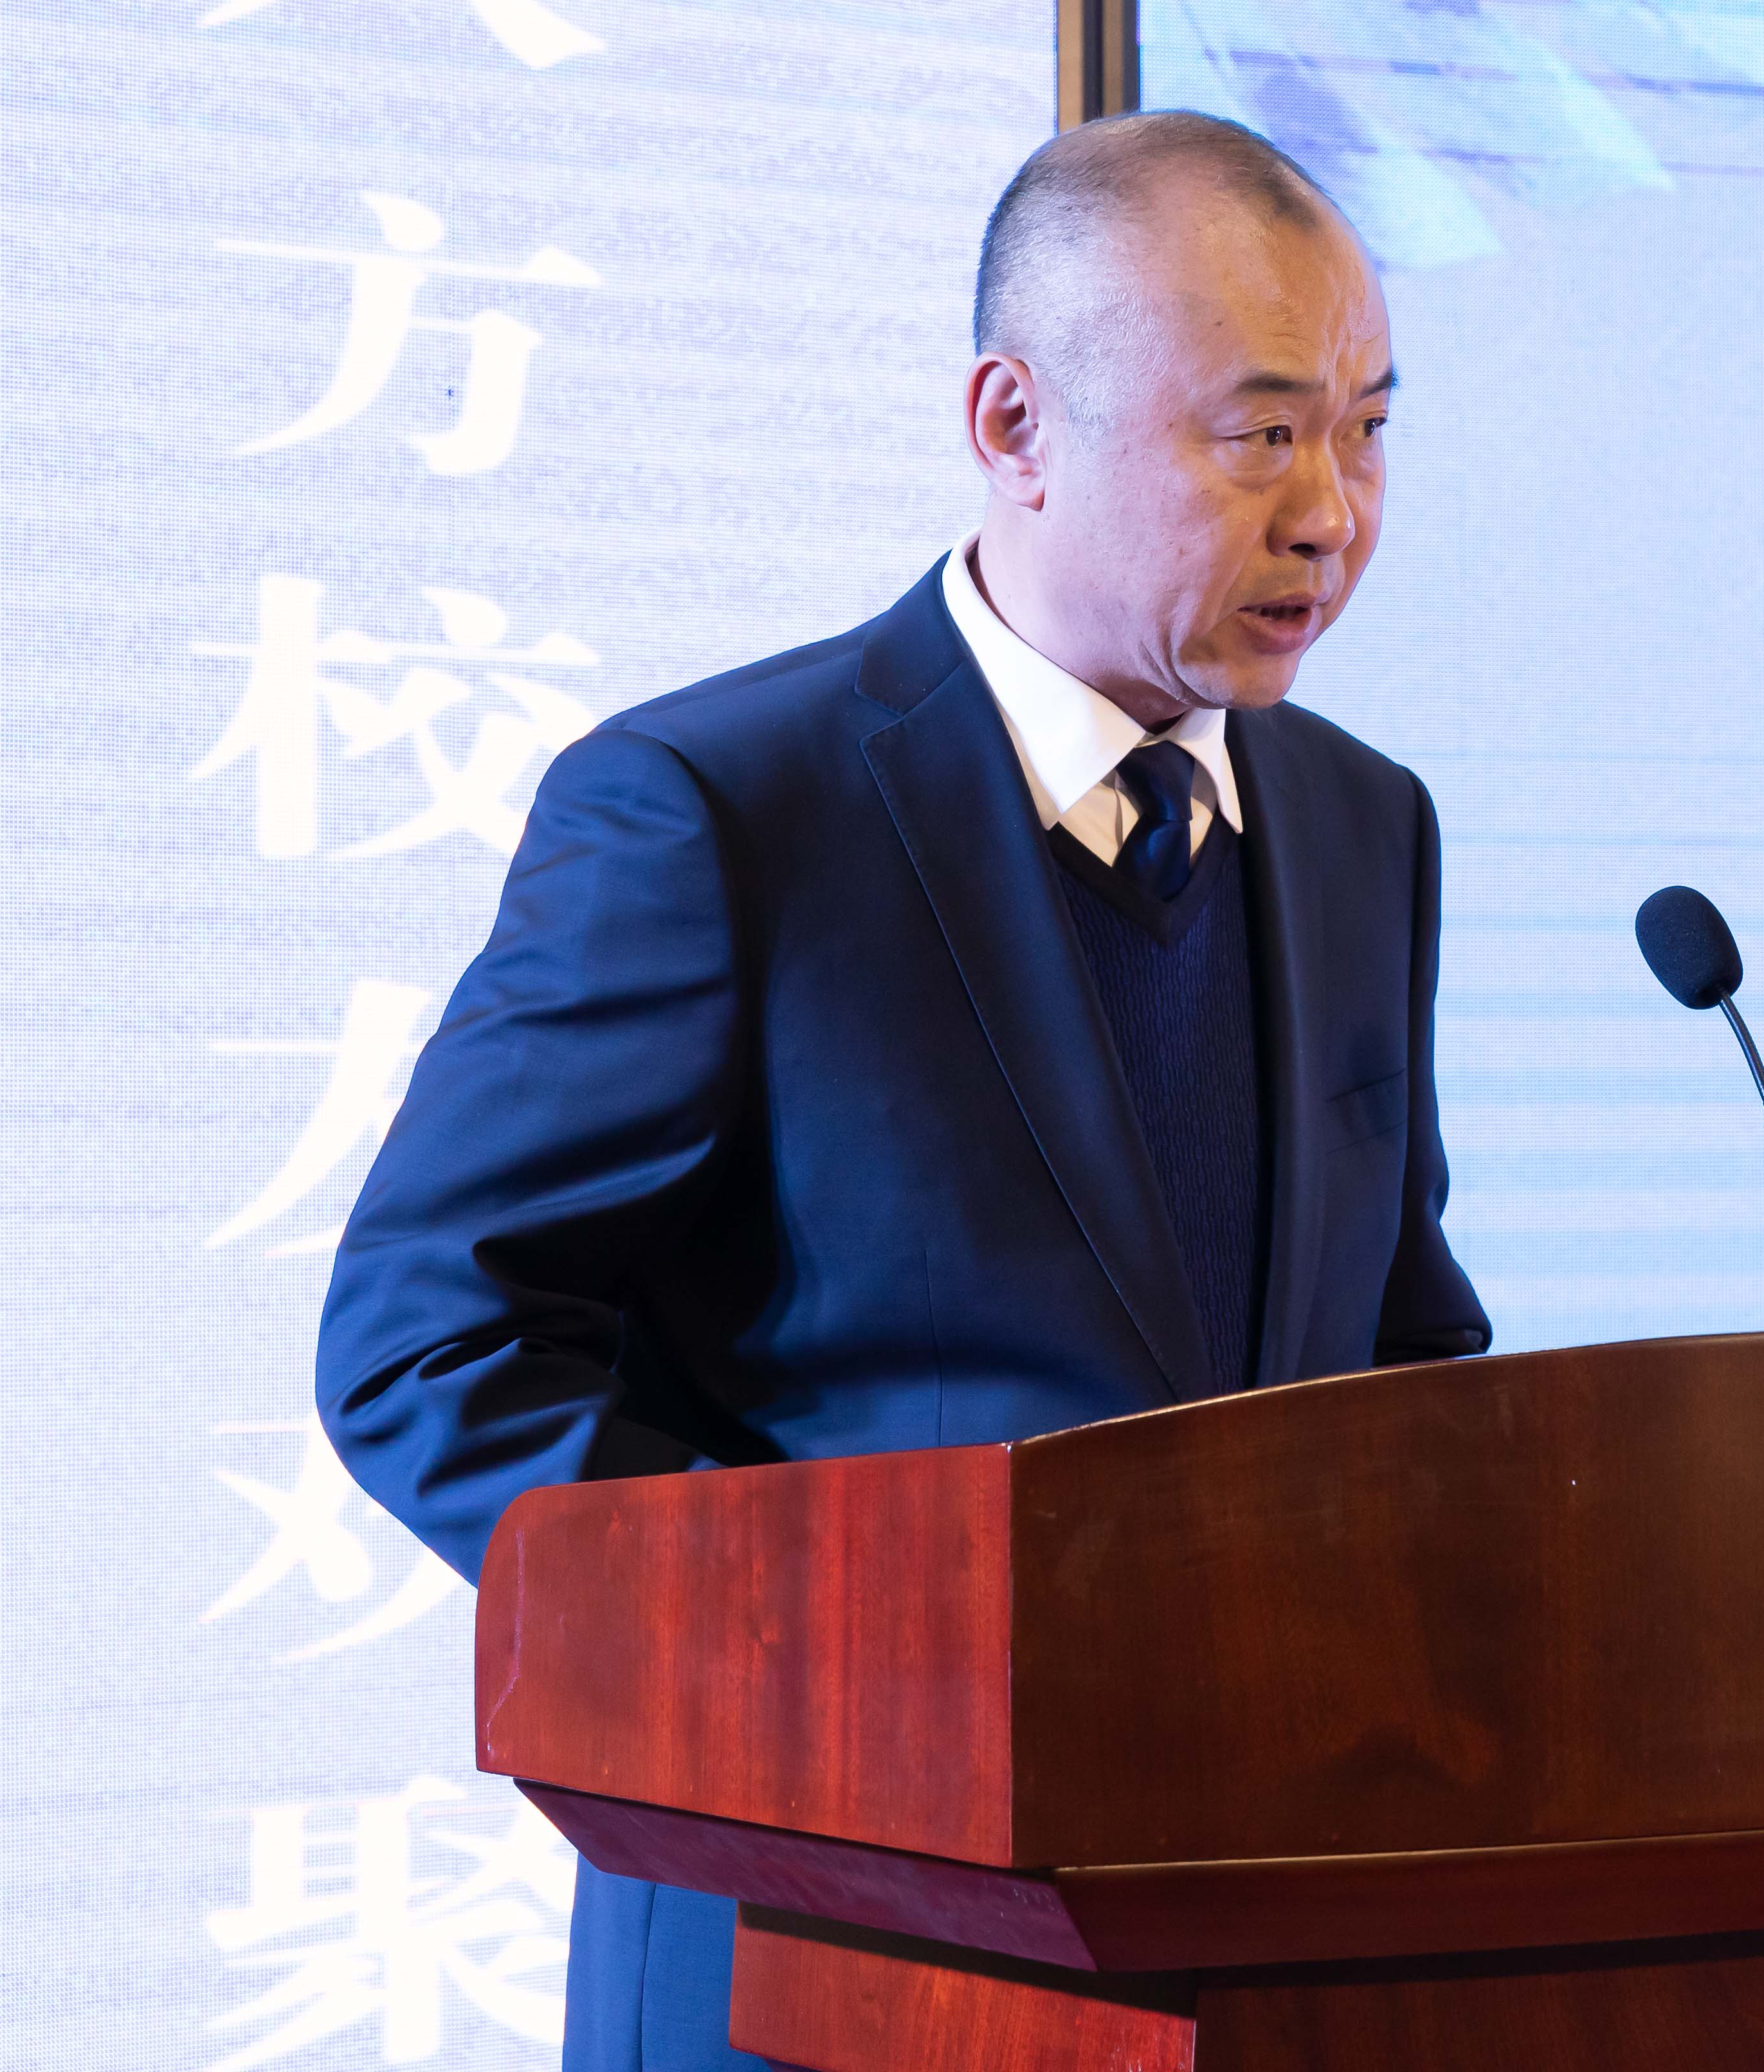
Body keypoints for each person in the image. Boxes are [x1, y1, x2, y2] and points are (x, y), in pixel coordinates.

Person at [313, 109, 1491, 2072]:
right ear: (1015, 424)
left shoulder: (1366, 828)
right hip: (823, 1946)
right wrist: (833, 1660)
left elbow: (1400, 1348)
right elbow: (431, 1345)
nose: (1332, 514)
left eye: (1368, 432)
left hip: (1248, 1959)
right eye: (1261, 435)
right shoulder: (718, 812)